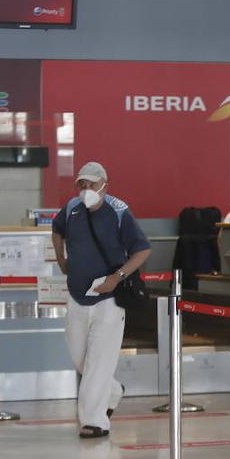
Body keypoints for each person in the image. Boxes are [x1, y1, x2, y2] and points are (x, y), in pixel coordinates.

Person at [51, 162, 152, 439]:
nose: (86, 190)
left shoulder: (119, 212)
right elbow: (56, 229)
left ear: (104, 184)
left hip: (109, 298)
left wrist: (116, 277)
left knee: (98, 361)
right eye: (82, 184)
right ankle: (113, 390)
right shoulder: (72, 209)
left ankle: (95, 421)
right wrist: (61, 259)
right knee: (79, 356)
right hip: (77, 295)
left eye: (92, 184)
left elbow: (142, 250)